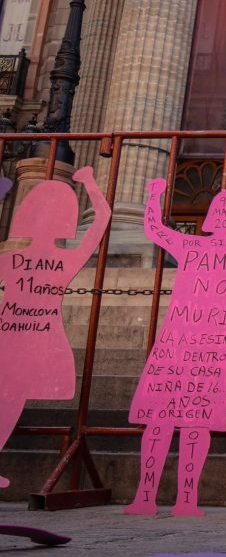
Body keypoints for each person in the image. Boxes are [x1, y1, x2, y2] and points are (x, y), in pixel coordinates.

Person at [125, 180, 226, 516]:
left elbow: (155, 228)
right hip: (197, 341)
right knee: (188, 423)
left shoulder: (198, 246)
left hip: (194, 341)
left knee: (168, 420)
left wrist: (155, 196)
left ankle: (157, 496)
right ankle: (175, 497)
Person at [0, 170, 109, 490]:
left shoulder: (11, 258)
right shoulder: (67, 259)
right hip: (37, 335)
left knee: (8, 398)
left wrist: (4, 192)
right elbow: (100, 221)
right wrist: (90, 181)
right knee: (10, 399)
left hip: (12, 331)